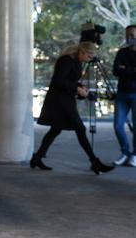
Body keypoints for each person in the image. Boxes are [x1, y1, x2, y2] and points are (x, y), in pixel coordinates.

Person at [31, 42, 114, 175]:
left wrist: (80, 87)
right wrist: (77, 88)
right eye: (89, 55)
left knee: (55, 130)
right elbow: (58, 80)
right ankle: (95, 162)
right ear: (82, 52)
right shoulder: (67, 60)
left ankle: (37, 158)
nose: (90, 59)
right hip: (60, 101)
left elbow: (69, 80)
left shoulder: (75, 61)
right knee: (80, 129)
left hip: (65, 99)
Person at [112, 24, 136, 166]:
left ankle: (135, 155)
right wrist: (133, 70)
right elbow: (116, 70)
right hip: (122, 93)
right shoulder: (122, 53)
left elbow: (121, 70)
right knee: (117, 125)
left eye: (132, 36)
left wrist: (125, 69)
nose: (129, 38)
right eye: (127, 35)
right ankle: (125, 152)